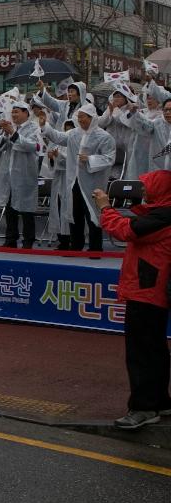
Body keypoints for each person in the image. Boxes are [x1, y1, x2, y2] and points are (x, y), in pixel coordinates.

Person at [95, 174, 171, 429]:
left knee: (140, 351)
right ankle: (160, 400)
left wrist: (106, 207)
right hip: (151, 288)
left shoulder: (162, 216)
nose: (143, 190)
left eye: (149, 186)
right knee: (154, 348)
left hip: (147, 288)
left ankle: (143, 407)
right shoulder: (160, 212)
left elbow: (125, 230)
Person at [43, 103, 116, 252]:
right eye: (79, 117)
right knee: (74, 215)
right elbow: (58, 137)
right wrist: (45, 126)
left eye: (83, 117)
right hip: (73, 182)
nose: (81, 120)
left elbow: (109, 158)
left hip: (93, 184)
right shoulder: (73, 134)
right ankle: (76, 247)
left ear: (92, 118)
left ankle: (96, 249)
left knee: (92, 216)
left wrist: (90, 159)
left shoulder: (104, 137)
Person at [0, 102, 43, 249]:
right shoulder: (11, 129)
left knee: (27, 209)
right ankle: (10, 239)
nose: (14, 115)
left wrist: (13, 133)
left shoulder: (34, 128)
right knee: (10, 208)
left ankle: (28, 240)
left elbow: (32, 146)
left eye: (17, 112)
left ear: (26, 113)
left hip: (25, 174)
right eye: (12, 112)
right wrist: (6, 134)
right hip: (9, 174)